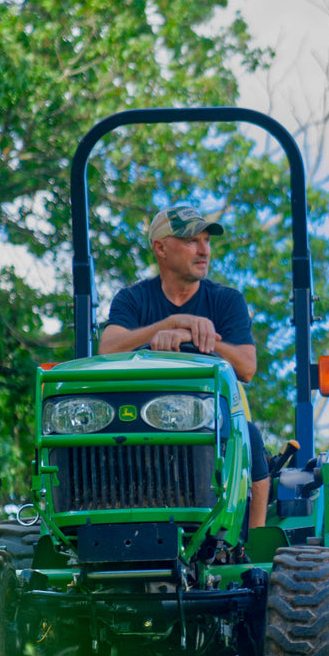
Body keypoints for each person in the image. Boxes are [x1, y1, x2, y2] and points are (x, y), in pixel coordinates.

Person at [99, 204, 271, 529]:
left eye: (206, 240)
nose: (203, 249)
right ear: (160, 248)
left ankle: (255, 542)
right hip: (142, 420)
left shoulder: (226, 300)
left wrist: (194, 336)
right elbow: (107, 349)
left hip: (211, 421)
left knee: (249, 436)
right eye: (192, 241)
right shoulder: (132, 300)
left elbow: (247, 368)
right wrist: (168, 324)